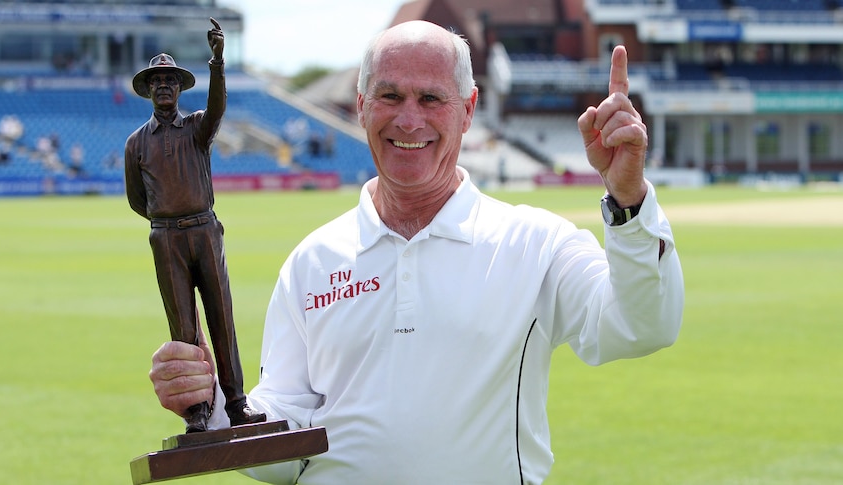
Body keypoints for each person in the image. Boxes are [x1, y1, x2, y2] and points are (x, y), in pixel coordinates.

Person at [149, 20, 684, 484]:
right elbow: (287, 453)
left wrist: (629, 201)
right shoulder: (313, 261)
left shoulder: (534, 242)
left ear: (468, 109)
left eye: (431, 99)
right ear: (361, 107)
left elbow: (643, 325)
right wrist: (213, 404)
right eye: (389, 96)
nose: (409, 120)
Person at [126, 18, 265, 433]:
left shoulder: (197, 127)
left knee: (221, 316)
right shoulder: (137, 142)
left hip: (205, 230)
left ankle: (237, 403)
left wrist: (218, 61)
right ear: (149, 90)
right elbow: (138, 200)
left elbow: (219, 107)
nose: (164, 86)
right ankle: (198, 411)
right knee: (183, 326)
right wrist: (165, 219)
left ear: (179, 88)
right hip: (166, 237)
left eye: (170, 80)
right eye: (158, 82)